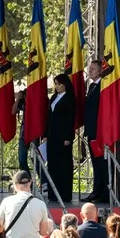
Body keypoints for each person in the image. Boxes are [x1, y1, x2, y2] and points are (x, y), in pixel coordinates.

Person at [0, 170, 53, 238]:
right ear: (30, 182)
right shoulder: (41, 204)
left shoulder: (6, 202)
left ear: (15, 184)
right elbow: (43, 232)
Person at [44, 74, 76, 203]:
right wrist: (45, 135)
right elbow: (49, 117)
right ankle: (53, 193)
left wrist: (68, 137)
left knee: (63, 164)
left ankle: (64, 193)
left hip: (63, 136)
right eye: (55, 84)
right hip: (52, 135)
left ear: (65, 84)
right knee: (52, 164)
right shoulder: (54, 97)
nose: (57, 86)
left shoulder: (69, 98)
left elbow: (70, 119)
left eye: (59, 84)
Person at [81, 59, 108, 203]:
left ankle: (102, 191)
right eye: (89, 68)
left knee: (100, 162)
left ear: (100, 70)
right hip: (91, 130)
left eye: (93, 69)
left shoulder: (103, 86)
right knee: (95, 162)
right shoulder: (92, 86)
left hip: (98, 131)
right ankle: (97, 190)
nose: (90, 71)